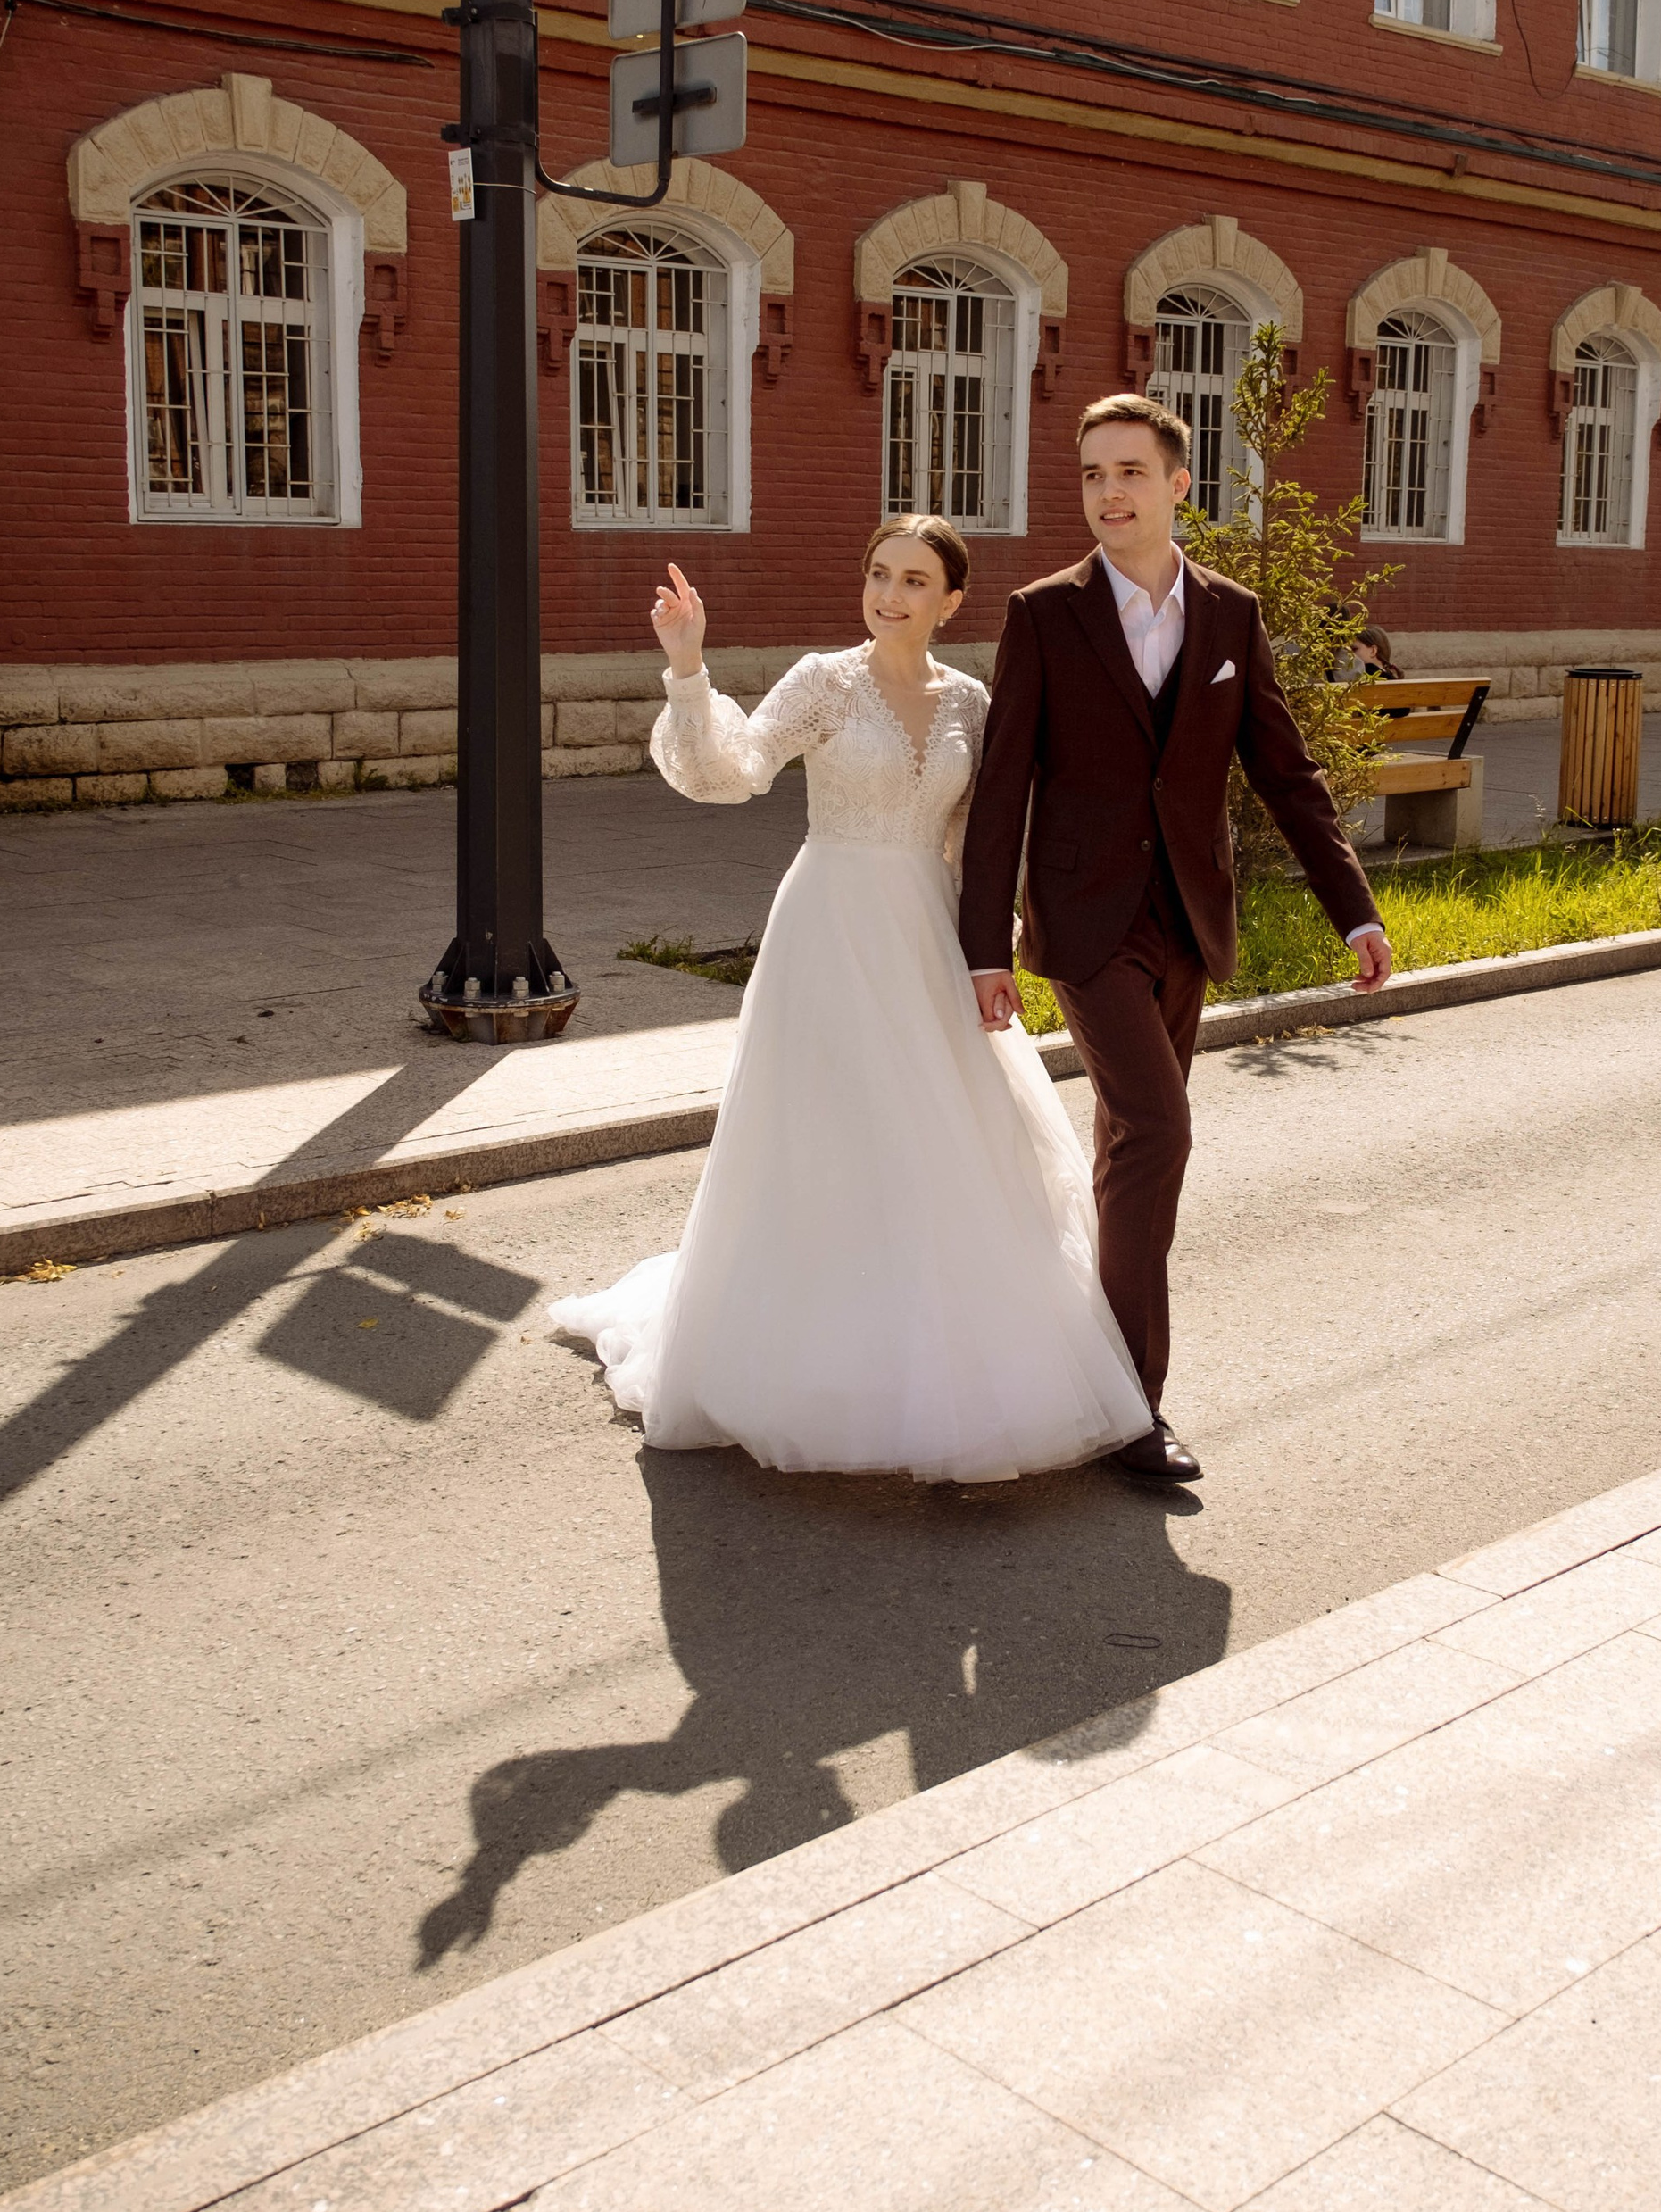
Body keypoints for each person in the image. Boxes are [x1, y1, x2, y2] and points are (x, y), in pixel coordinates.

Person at [546, 516, 1148, 1481]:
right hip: (827, 927)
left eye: (914, 580)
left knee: (942, 1134)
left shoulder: (971, 703)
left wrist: (986, 955)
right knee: (823, 1134)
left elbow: (974, 843)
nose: (889, 594)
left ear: (952, 602)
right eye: (877, 574)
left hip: (927, 929)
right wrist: (688, 668)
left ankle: (933, 1360)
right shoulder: (824, 679)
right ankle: (797, 1354)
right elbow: (729, 772)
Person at [959, 395, 1393, 1484]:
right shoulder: (1044, 615)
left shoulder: (1231, 617)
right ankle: (1130, 1409)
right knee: (1157, 1133)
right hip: (1085, 924)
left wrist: (1355, 907)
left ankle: (1088, 1367)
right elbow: (1002, 785)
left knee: (1123, 1150)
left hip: (1189, 925)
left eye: (1131, 473)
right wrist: (984, 945)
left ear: (1178, 484)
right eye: (1094, 474)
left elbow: (1284, 773)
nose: (1110, 492)